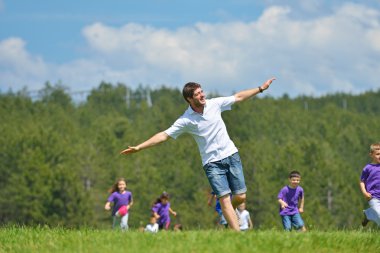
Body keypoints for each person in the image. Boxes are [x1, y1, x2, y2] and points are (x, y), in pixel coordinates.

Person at [121, 78, 276, 231]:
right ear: (189, 99)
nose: (202, 95)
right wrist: (139, 147)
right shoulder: (186, 120)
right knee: (225, 199)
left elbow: (238, 97)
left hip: (231, 154)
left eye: (202, 91)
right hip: (211, 163)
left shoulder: (214, 104)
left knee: (240, 197)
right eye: (198, 94)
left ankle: (225, 209)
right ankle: (237, 235)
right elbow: (164, 135)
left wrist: (261, 88)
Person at [360, 142, 380, 227]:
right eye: (378, 154)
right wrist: (365, 193)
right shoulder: (368, 168)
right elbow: (362, 181)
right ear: (371, 155)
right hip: (373, 197)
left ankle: (368, 214)